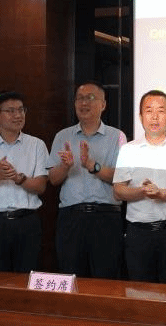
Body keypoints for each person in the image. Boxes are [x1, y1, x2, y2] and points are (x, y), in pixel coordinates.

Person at [47, 81, 127, 278]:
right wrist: (65, 166)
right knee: (71, 277)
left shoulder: (117, 136)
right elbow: (53, 179)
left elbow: (122, 178)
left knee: (106, 280)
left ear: (103, 104)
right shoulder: (63, 136)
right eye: (79, 99)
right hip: (71, 218)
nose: (84, 103)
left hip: (106, 217)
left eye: (90, 98)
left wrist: (92, 166)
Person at [113, 90, 166, 284]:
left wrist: (163, 194)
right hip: (138, 234)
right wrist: (140, 192)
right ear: (141, 116)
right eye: (149, 111)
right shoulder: (128, 150)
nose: (155, 117)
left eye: (161, 111)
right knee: (139, 292)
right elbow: (118, 191)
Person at [0, 91, 49, 273]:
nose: (18, 115)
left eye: (21, 110)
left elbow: (41, 186)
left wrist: (19, 179)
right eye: (11, 111)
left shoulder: (37, 145)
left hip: (27, 222)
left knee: (28, 278)